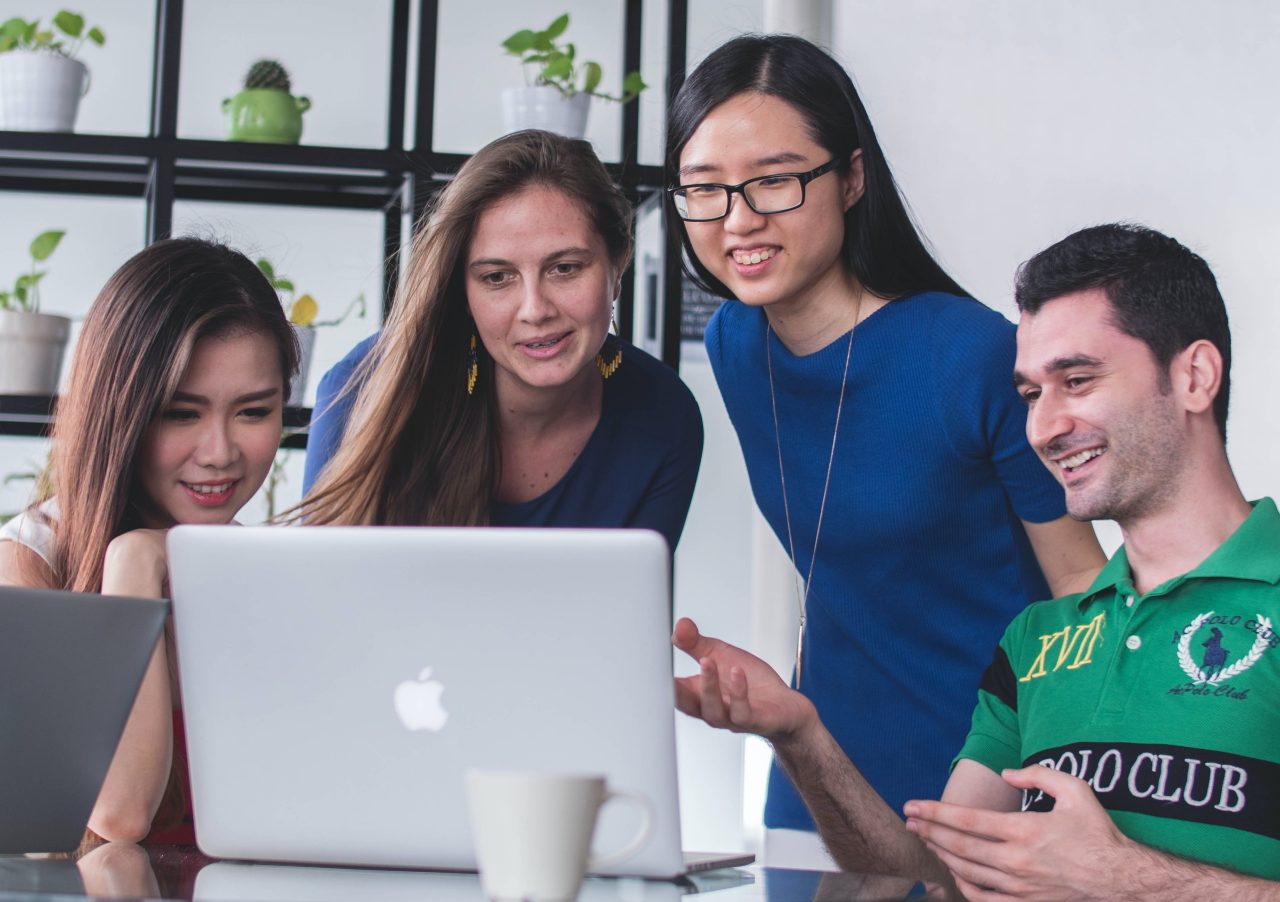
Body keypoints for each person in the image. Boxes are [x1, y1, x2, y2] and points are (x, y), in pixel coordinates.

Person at [675, 224, 1280, 896]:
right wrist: (800, 736)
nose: (1044, 428)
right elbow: (935, 880)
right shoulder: (1037, 641)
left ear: (1194, 376)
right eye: (1030, 395)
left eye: (1077, 380)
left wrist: (1124, 877)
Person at [664, 33, 1105, 857]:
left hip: (985, 783)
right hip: (818, 777)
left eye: (776, 181)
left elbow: (1080, 587)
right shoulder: (734, 344)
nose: (739, 220)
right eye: (706, 190)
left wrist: (1063, 791)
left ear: (853, 176)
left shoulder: (968, 354)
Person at [0, 238, 299, 844]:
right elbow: (117, 816)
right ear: (123, 414)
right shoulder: (28, 564)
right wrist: (132, 563)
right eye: (181, 413)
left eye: (253, 411)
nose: (219, 454)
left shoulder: (265, 575)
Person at [299, 130, 702, 549]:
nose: (535, 309)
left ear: (617, 265)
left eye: (564, 268)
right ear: (463, 292)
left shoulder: (664, 417)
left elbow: (629, 608)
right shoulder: (364, 387)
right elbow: (321, 597)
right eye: (497, 277)